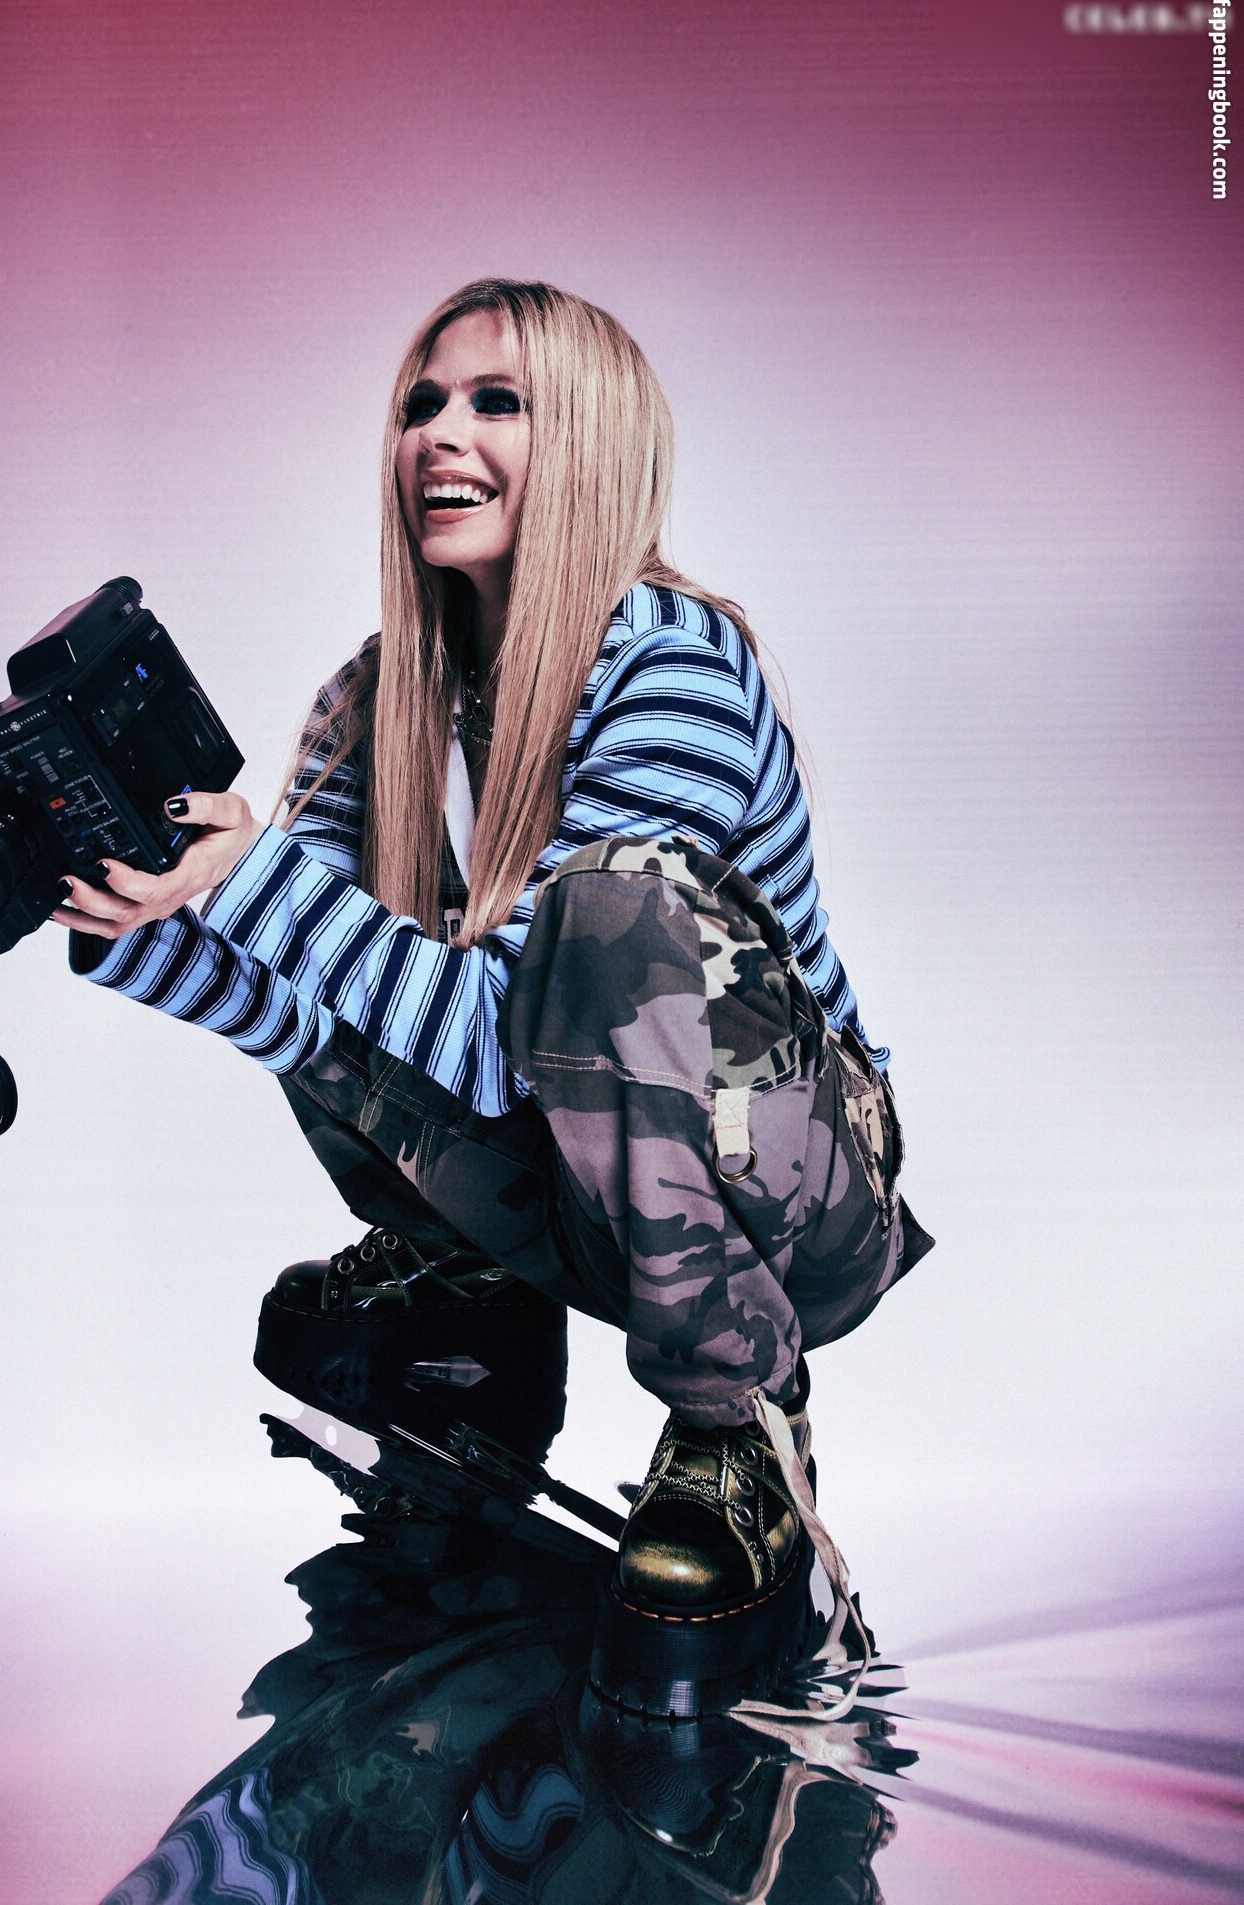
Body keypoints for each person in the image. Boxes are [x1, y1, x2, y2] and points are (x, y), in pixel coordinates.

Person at [53, 279, 932, 1711]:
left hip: (790, 1199)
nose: (438, 436)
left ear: (590, 442)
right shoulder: (378, 700)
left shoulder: (674, 667)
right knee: (329, 932)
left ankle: (740, 1432)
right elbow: (314, 1008)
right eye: (421, 404)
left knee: (607, 906)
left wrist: (253, 880)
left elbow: (503, 1041)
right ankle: (474, 1302)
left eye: (497, 403)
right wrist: (136, 908)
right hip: (570, 1178)